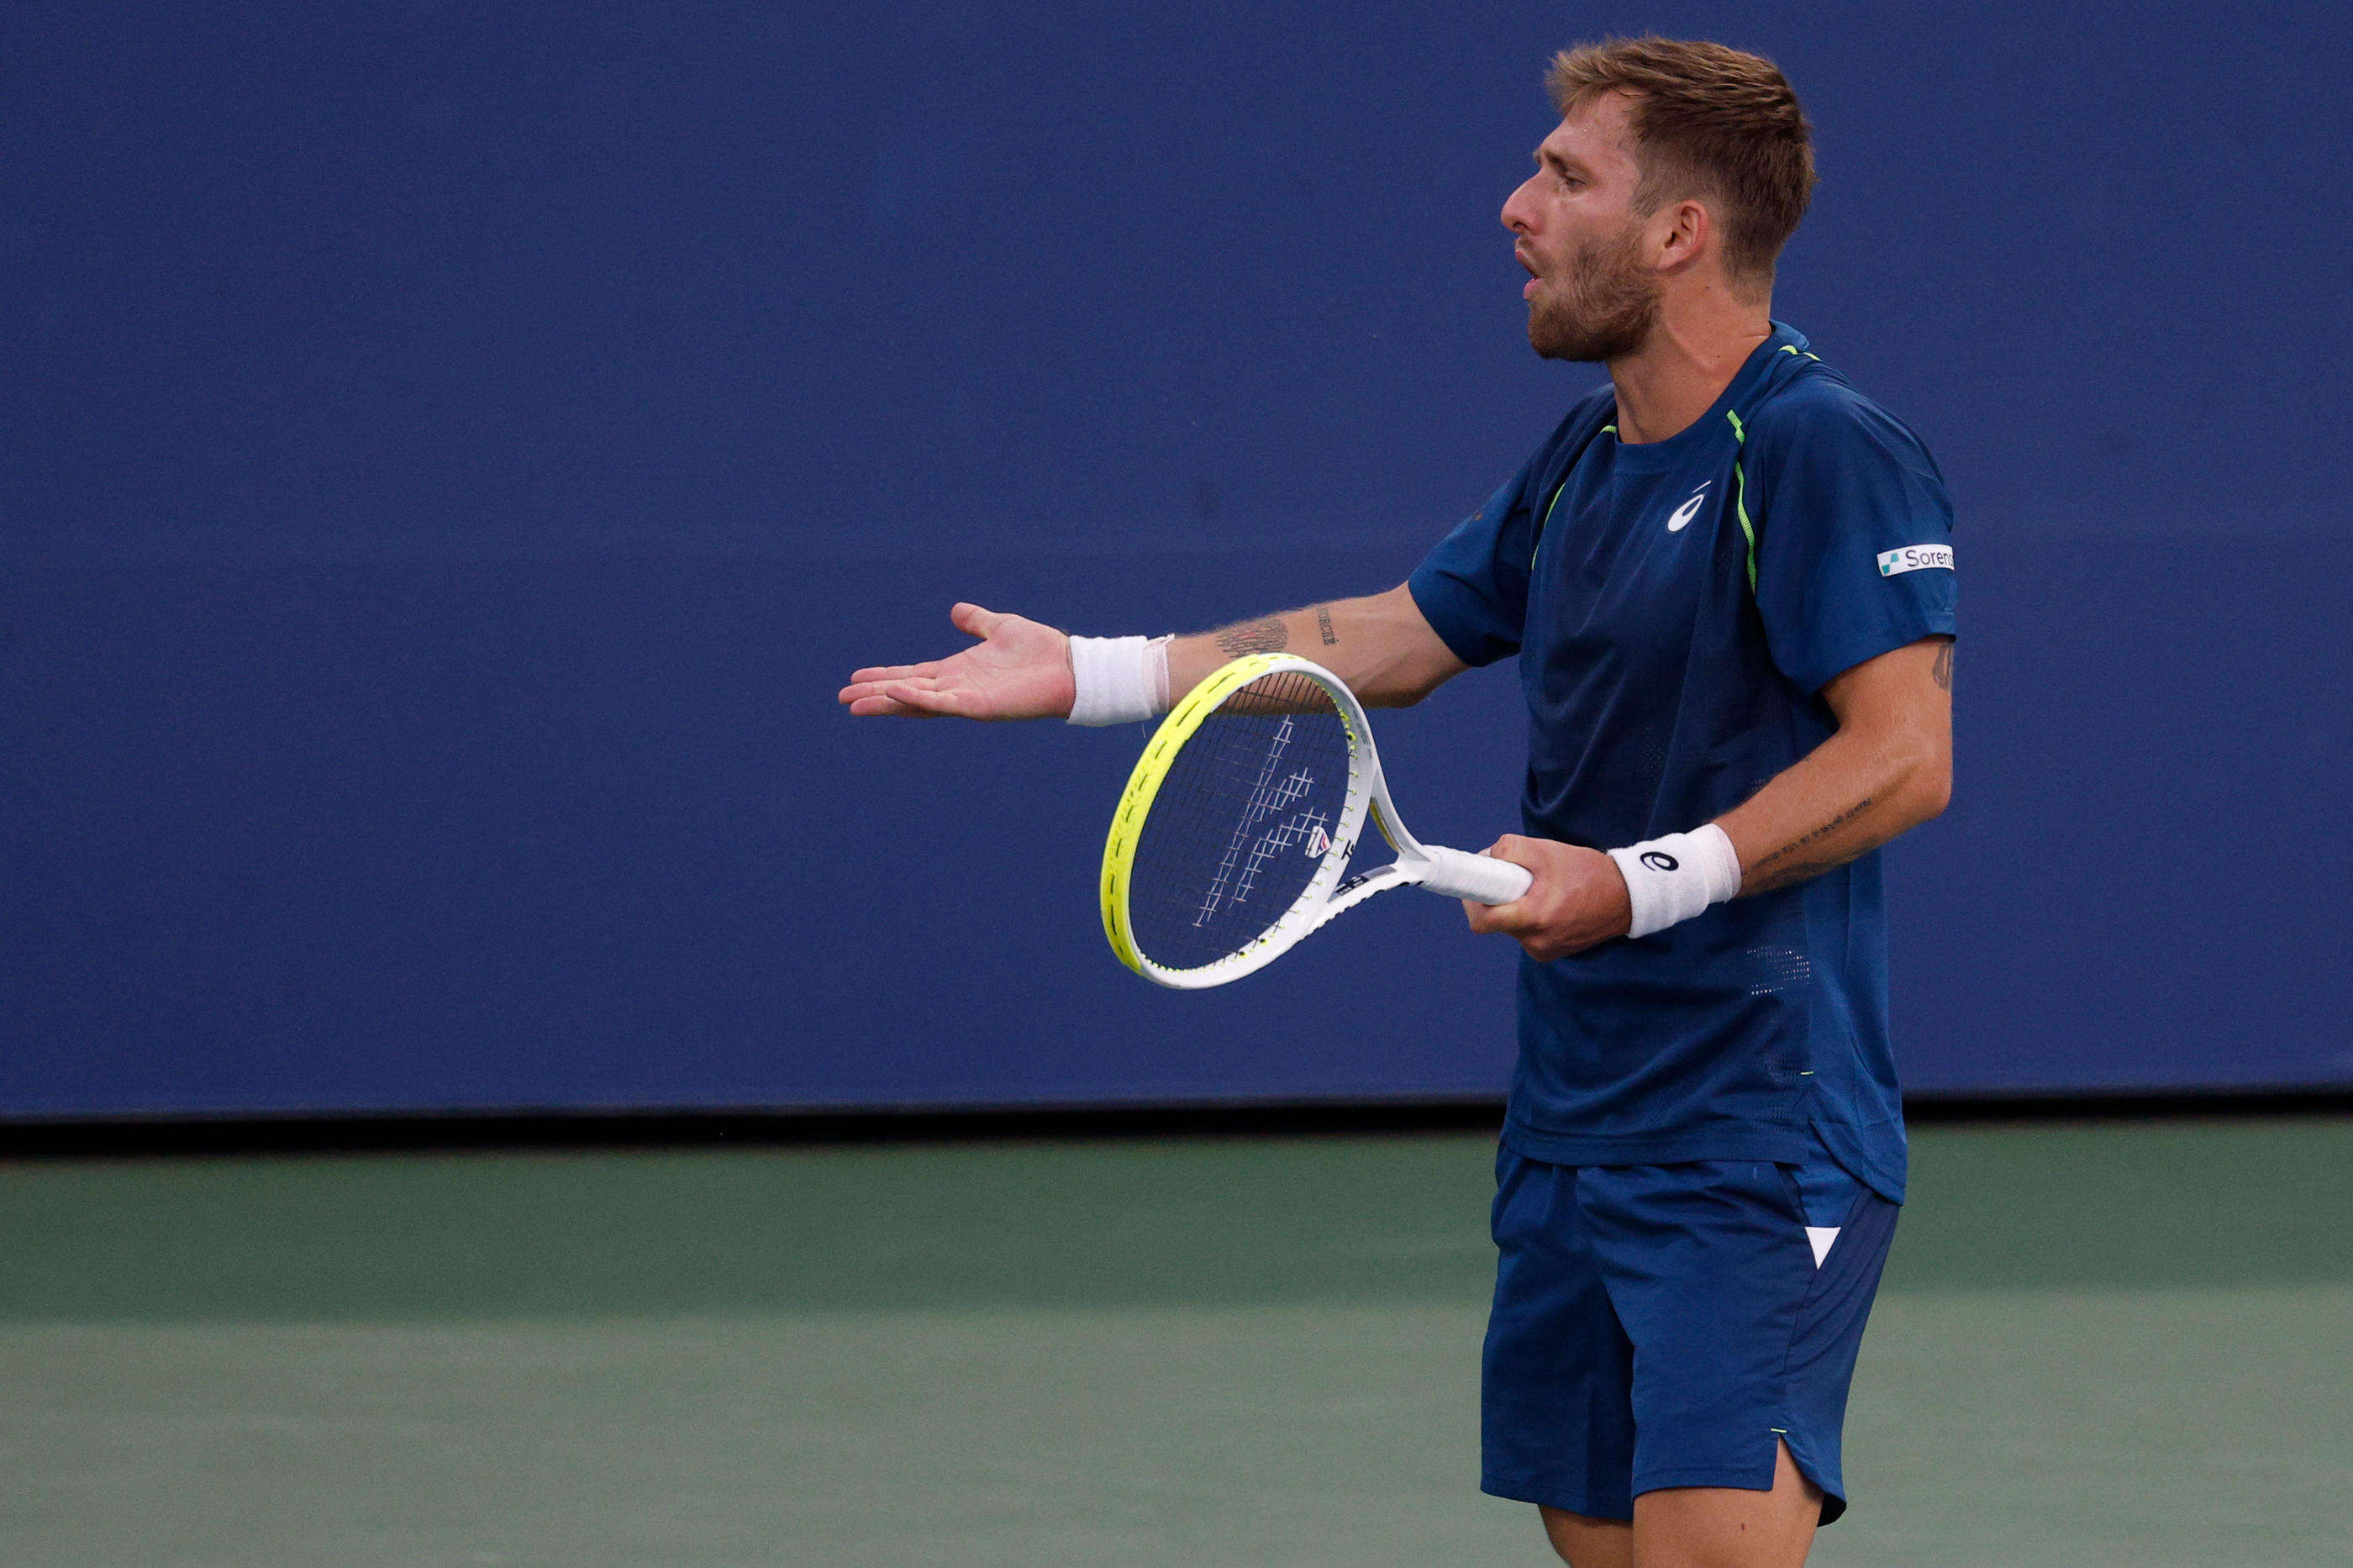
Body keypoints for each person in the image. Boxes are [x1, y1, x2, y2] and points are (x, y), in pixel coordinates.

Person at [839, 35, 1955, 1568]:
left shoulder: (1822, 446)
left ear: (1682, 231)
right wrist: (1092, 673)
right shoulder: (1585, 459)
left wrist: (1641, 880)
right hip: (1577, 1122)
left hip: (1755, 1125)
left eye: (1566, 178)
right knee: (1602, 1545)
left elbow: (1907, 751)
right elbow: (1396, 636)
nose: (1516, 206)